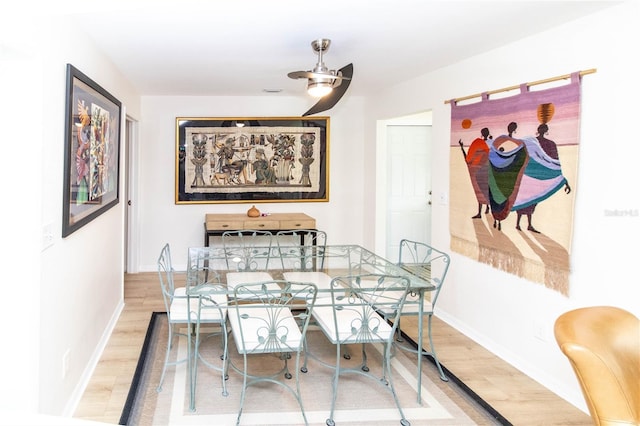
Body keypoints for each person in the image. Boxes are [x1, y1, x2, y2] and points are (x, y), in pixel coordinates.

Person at [459, 127, 492, 218]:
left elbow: (469, 159)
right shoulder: (491, 143)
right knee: (486, 190)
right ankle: (487, 208)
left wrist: (462, 147)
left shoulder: (477, 144)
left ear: (482, 134)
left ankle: (480, 212)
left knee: (480, 190)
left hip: (480, 171)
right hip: (488, 170)